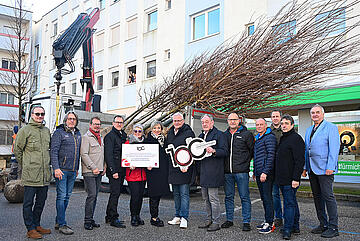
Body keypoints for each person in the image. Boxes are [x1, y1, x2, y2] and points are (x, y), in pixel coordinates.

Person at [14, 106, 52, 239]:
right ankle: (30, 229)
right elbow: (17, 150)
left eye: (42, 114)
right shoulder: (25, 130)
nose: (40, 116)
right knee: (28, 202)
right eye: (37, 114)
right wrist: (26, 164)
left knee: (41, 202)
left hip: (44, 175)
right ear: (32, 114)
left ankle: (36, 225)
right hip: (31, 174)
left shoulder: (47, 131)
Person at [303, 104, 340, 238]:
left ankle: (333, 227)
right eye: (313, 113)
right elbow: (307, 150)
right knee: (317, 198)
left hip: (325, 169)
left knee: (328, 197)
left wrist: (331, 166)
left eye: (318, 112)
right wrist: (305, 168)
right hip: (312, 169)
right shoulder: (309, 130)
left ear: (323, 114)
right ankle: (323, 224)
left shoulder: (331, 127)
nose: (315, 115)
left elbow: (334, 148)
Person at [50, 112, 81, 235]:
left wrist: (76, 167)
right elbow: (53, 151)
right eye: (69, 119)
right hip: (61, 170)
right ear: (65, 120)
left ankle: (58, 220)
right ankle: (62, 224)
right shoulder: (59, 133)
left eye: (74, 119)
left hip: (72, 171)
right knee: (61, 196)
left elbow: (78, 152)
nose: (72, 121)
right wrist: (56, 168)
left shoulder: (78, 134)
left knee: (67, 197)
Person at [222, 113, 254, 231]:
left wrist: (245, 164)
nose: (232, 122)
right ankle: (229, 219)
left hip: (241, 172)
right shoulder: (224, 135)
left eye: (235, 119)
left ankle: (246, 222)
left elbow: (252, 151)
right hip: (227, 172)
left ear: (239, 120)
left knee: (244, 197)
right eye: (230, 120)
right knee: (228, 196)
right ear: (228, 121)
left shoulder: (246, 134)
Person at [275, 115, 305, 240]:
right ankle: (295, 226)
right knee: (292, 202)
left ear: (292, 125)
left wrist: (296, 179)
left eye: (287, 123)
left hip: (290, 179)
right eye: (282, 124)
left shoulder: (296, 139)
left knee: (288, 204)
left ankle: (287, 229)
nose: (284, 125)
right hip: (282, 178)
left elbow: (299, 160)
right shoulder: (283, 138)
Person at [197, 114, 228, 232]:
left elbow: (224, 151)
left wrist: (214, 150)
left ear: (212, 123)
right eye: (203, 122)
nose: (204, 124)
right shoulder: (200, 136)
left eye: (206, 122)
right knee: (205, 198)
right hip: (203, 172)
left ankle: (216, 222)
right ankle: (208, 219)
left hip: (214, 172)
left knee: (213, 199)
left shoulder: (219, 135)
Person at [167, 112, 195, 229]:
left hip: (184, 169)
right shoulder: (170, 132)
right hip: (173, 169)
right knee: (176, 194)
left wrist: (187, 165)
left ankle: (184, 217)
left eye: (179, 121)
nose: (177, 123)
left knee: (184, 194)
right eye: (175, 121)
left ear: (183, 121)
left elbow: (192, 150)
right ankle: (177, 216)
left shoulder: (189, 132)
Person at [80, 117, 106, 230]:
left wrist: (104, 166)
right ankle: (87, 221)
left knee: (95, 196)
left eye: (99, 124)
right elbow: (84, 154)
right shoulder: (86, 138)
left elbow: (102, 154)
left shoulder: (100, 137)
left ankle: (91, 219)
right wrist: (94, 167)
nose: (97, 126)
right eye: (95, 124)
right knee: (92, 195)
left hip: (99, 171)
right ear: (90, 125)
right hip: (90, 172)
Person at [145, 120, 170, 227]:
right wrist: (147, 164)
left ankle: (155, 215)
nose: (157, 130)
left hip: (162, 170)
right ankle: (154, 217)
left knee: (159, 194)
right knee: (154, 195)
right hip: (152, 171)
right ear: (151, 129)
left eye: (158, 128)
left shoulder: (164, 140)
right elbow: (144, 155)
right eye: (154, 128)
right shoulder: (148, 140)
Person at [253, 118, 277, 234]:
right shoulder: (258, 138)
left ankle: (270, 223)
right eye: (257, 125)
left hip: (265, 173)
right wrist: (255, 172)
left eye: (261, 124)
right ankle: (267, 220)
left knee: (267, 198)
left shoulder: (270, 137)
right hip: (259, 172)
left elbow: (271, 156)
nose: (259, 126)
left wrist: (265, 172)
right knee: (264, 198)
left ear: (266, 125)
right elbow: (257, 156)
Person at [104, 115, 127, 228]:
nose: (119, 124)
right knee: (115, 193)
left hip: (122, 169)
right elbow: (108, 155)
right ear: (113, 123)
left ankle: (109, 216)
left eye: (121, 122)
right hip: (115, 170)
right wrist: (113, 171)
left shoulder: (123, 135)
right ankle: (113, 218)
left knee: (116, 193)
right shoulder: (110, 136)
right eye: (117, 122)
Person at [125, 124, 147, 227]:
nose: (137, 133)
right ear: (132, 132)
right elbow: (125, 158)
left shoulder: (145, 143)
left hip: (143, 175)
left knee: (140, 196)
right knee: (135, 196)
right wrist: (129, 165)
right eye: (135, 131)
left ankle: (138, 215)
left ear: (142, 132)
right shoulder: (128, 142)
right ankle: (133, 216)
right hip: (132, 174)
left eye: (139, 131)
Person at [270, 110, 284, 228]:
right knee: (275, 194)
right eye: (273, 116)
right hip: (272, 167)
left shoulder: (286, 129)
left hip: (284, 168)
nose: (275, 118)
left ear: (280, 117)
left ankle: (291, 218)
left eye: (277, 116)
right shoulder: (268, 131)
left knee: (287, 194)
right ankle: (278, 217)